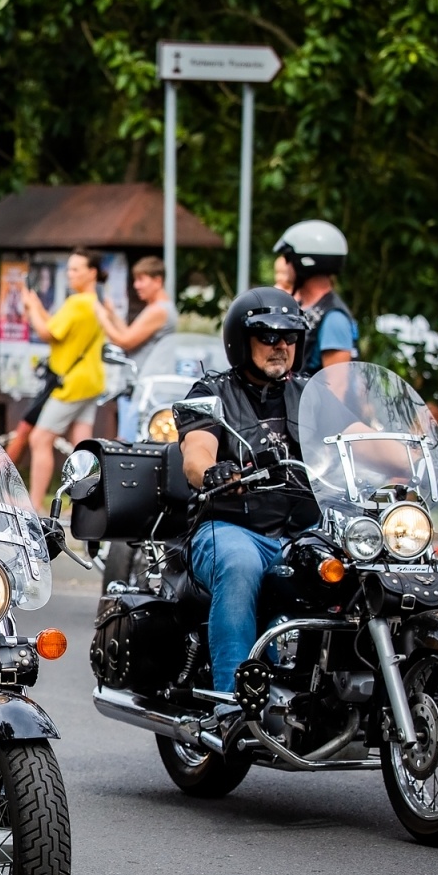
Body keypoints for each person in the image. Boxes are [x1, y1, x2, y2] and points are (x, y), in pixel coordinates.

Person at [178, 288, 318, 698]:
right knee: (239, 565)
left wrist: (410, 461)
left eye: (289, 337)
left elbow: (359, 440)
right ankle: (233, 701)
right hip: (231, 526)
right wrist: (212, 470)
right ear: (241, 340)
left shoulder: (311, 394)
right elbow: (195, 452)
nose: (281, 346)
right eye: (268, 336)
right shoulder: (210, 393)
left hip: (302, 532)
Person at [19, 247, 107, 512]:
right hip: (91, 381)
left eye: (76, 269)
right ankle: (86, 503)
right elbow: (57, 327)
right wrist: (36, 307)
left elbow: (47, 333)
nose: (70, 274)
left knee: (40, 439)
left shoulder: (78, 302)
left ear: (91, 273)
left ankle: (34, 504)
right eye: (69, 268)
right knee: (83, 446)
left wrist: (32, 307)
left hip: (72, 384)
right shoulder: (93, 301)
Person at [95, 255, 178, 441]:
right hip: (139, 385)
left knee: (129, 443)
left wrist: (102, 318)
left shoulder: (159, 310)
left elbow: (124, 341)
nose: (136, 286)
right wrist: (112, 314)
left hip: (145, 387)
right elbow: (130, 333)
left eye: (141, 279)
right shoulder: (156, 308)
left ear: (157, 280)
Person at [273, 220, 358, 375]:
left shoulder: (334, 318)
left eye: (288, 258)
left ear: (305, 262)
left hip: (312, 400)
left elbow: (336, 390)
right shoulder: (299, 307)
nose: (285, 265)